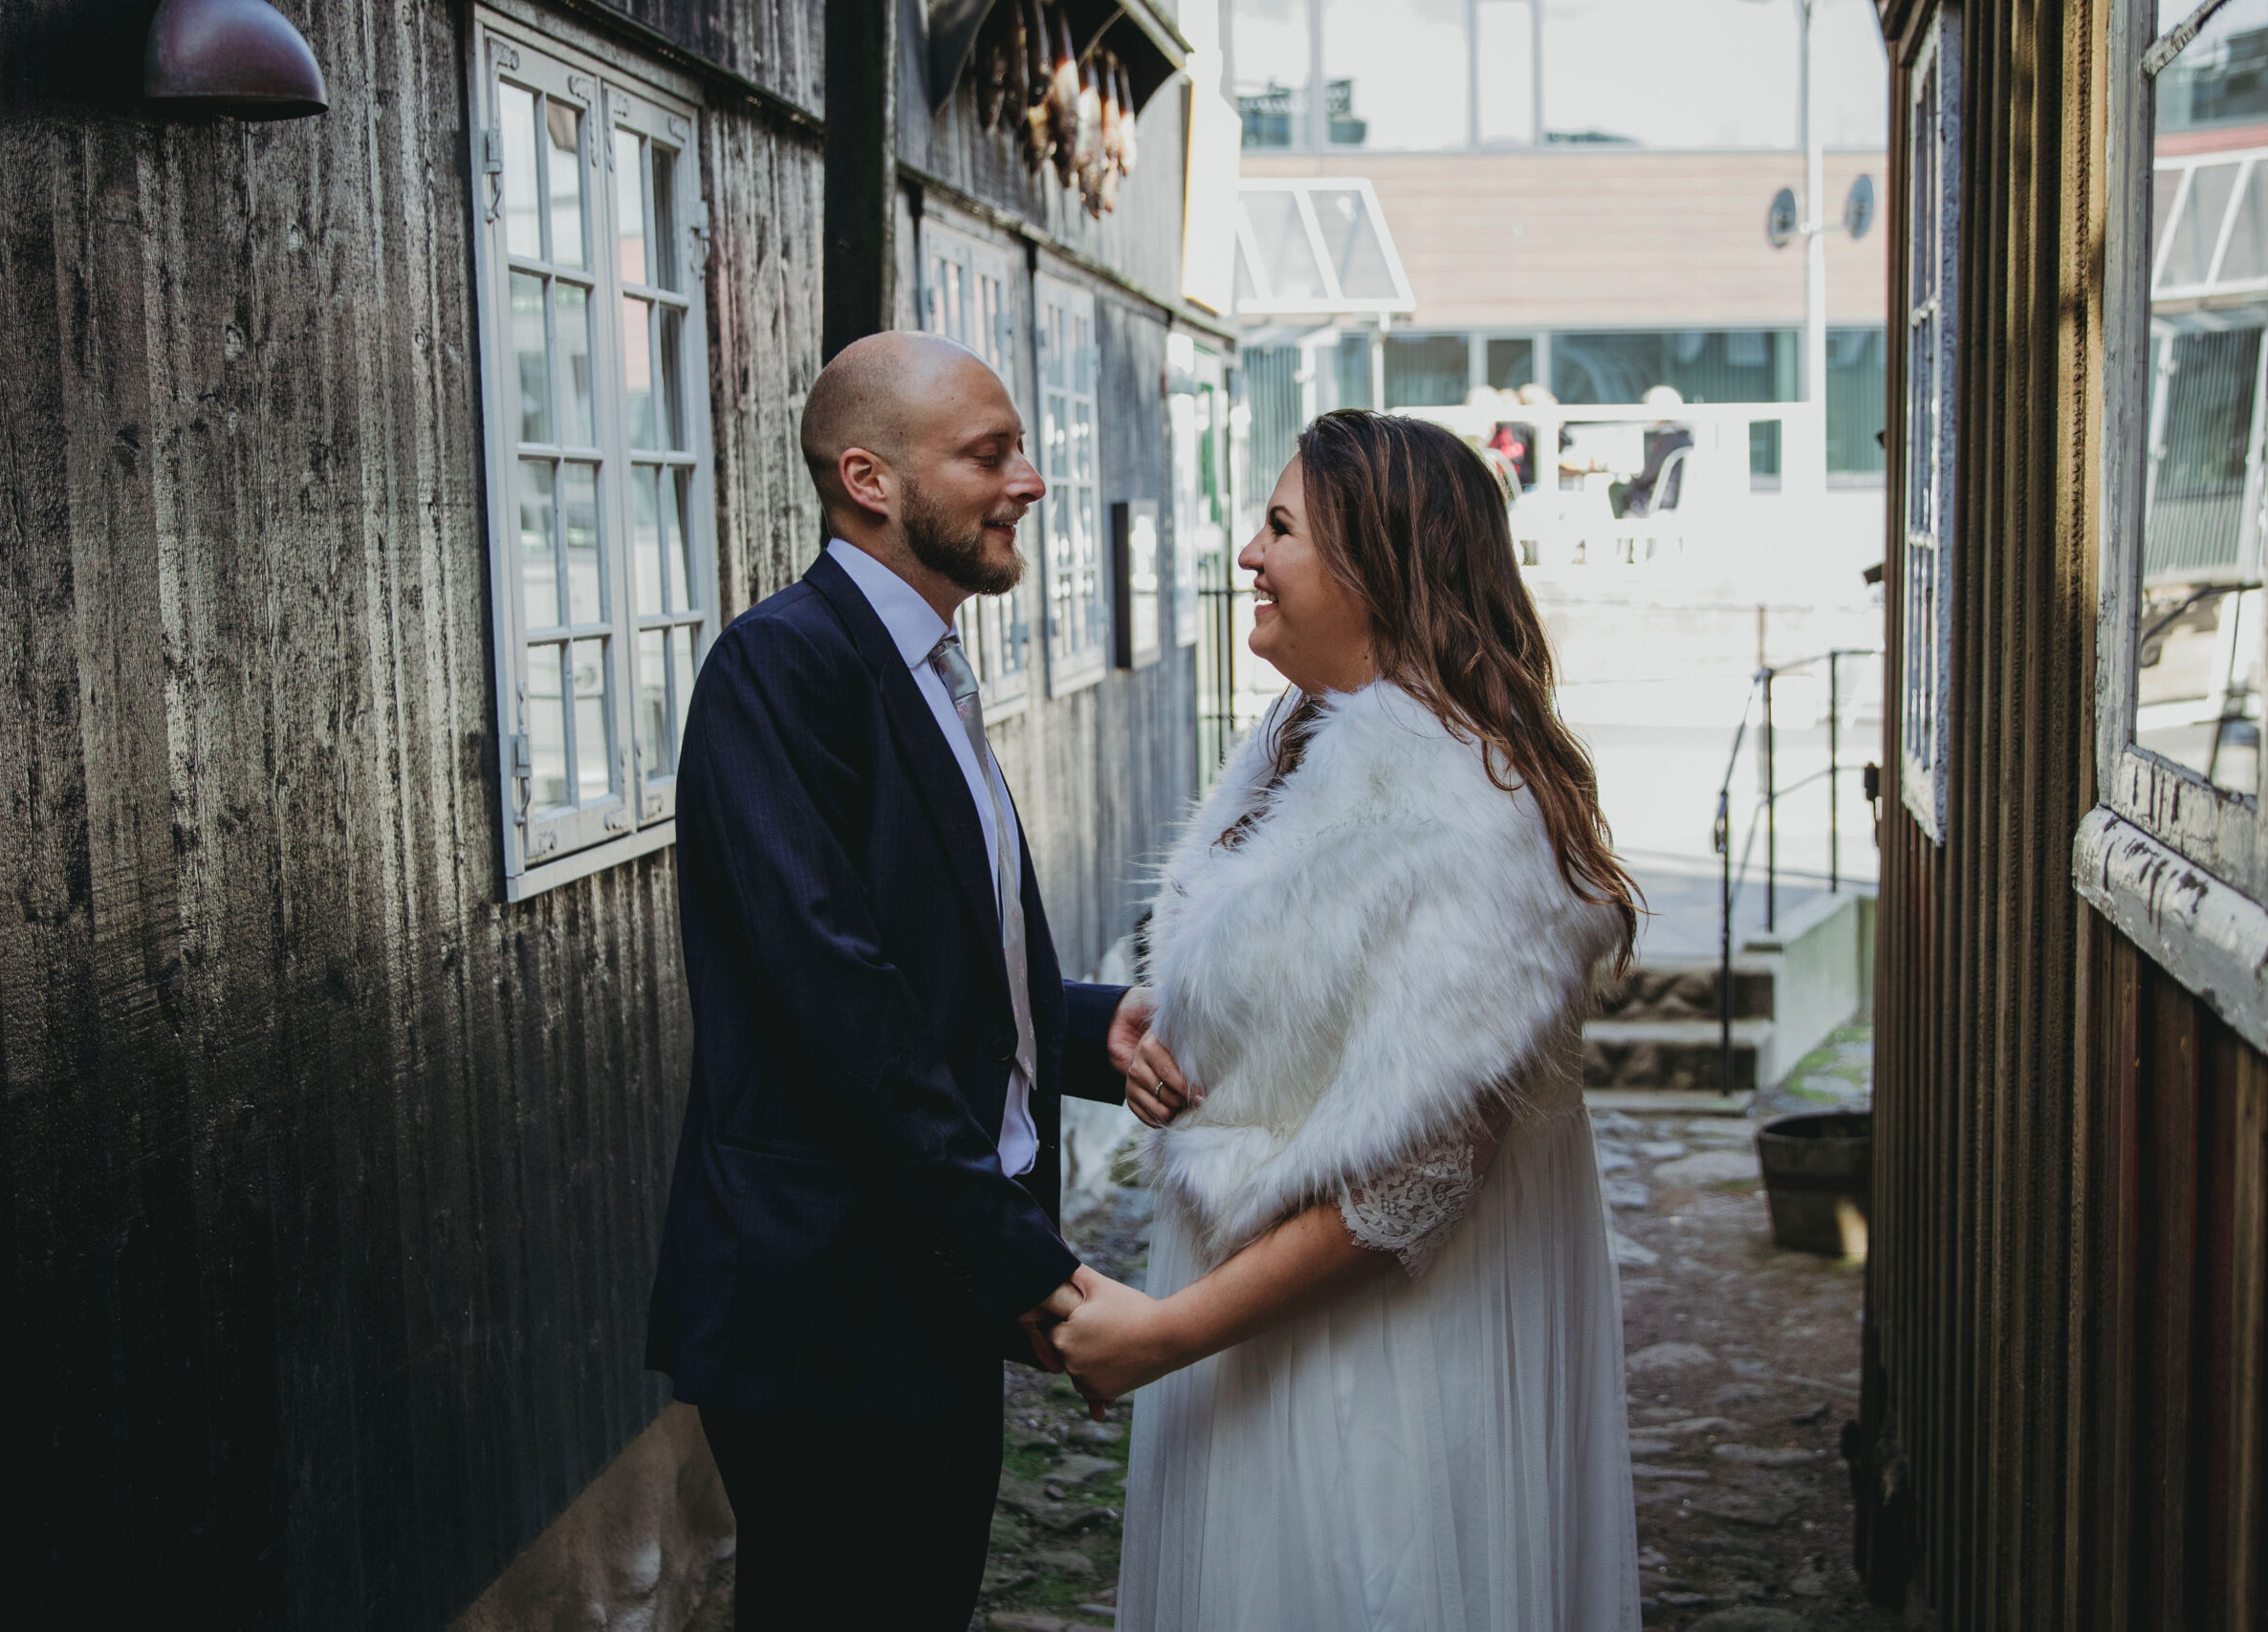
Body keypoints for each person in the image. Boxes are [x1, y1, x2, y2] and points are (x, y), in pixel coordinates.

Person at [1049, 409, 1645, 1630]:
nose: (1248, 558)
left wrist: (1164, 1336)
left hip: (1379, 1369)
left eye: (1279, 529)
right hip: (1267, 1334)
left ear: (1374, 569)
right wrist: (1175, 1034)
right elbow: (1303, 989)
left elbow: (1415, 1178)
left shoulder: (1464, 811)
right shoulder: (1298, 735)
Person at [645, 331, 1153, 1631]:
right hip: (826, 1301)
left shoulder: (932, 664)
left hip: (922, 1279)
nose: (1030, 480)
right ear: (870, 480)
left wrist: (1102, 1032)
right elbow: (842, 1002)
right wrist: (1018, 1255)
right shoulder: (779, 670)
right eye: (989, 454)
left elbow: (961, 964)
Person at [1610, 382, 1693, 517]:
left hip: (1659, 499)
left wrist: (1635, 480)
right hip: (1675, 495)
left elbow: (1650, 474)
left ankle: (1625, 534)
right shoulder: (1683, 435)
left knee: (1616, 490)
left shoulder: (1668, 437)